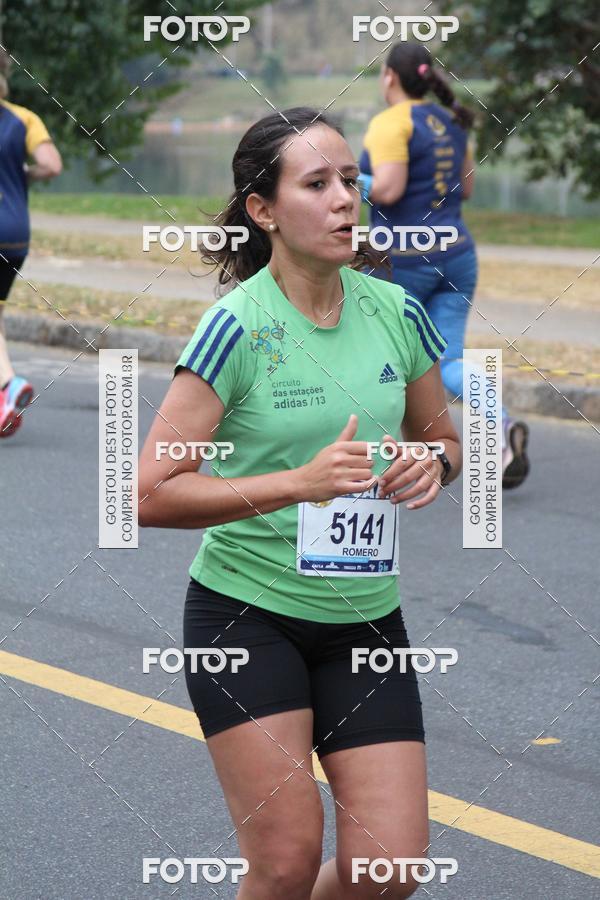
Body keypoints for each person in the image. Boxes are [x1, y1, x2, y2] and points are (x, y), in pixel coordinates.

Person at [138, 106, 461, 899]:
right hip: (249, 619)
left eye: (350, 179)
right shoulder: (236, 329)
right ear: (264, 210)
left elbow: (446, 442)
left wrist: (432, 463)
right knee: (282, 866)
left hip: (365, 619)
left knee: (390, 869)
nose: (346, 198)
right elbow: (149, 492)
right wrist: (297, 485)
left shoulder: (396, 313)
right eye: (317, 184)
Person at [357, 42, 530, 489]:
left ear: (390, 78)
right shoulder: (452, 120)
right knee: (447, 359)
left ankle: (375, 455)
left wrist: (340, 176)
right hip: (457, 255)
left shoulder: (389, 123)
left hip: (403, 260)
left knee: (378, 352)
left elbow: (389, 191)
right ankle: (501, 429)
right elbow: (466, 190)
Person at [0, 47, 62, 438]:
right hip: (16, 233)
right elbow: (52, 165)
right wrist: (24, 173)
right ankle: (5, 395)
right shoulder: (23, 118)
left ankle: (8, 384)